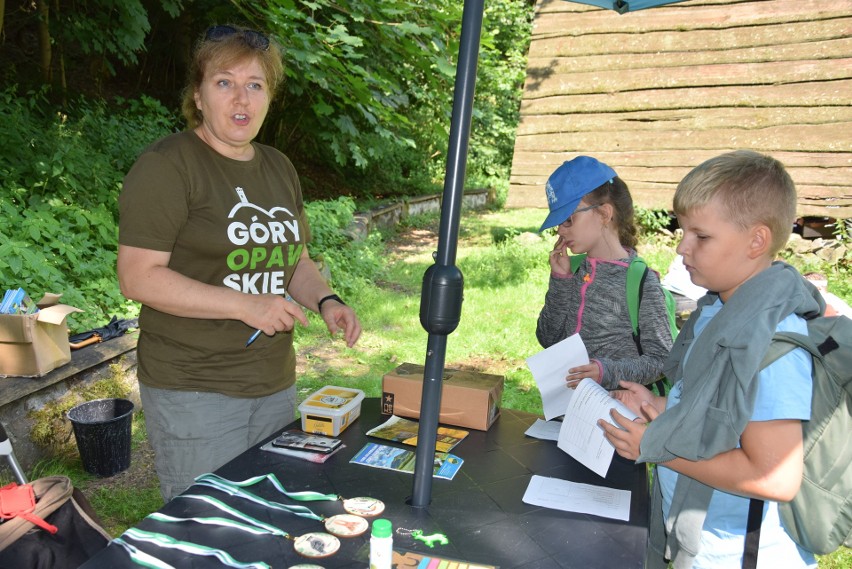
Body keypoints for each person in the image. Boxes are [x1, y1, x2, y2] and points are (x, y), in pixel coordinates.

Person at [117, 24, 362, 502]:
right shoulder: (168, 166)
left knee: (272, 513)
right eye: (224, 82)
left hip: (273, 383)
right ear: (199, 95)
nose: (241, 100)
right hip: (194, 388)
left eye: (255, 85)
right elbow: (137, 277)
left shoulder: (278, 167)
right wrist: (247, 305)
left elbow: (296, 262)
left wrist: (326, 300)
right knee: (208, 525)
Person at [600, 150, 821, 568]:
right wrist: (656, 406)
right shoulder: (716, 312)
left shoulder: (773, 342)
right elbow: (717, 412)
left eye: (701, 237)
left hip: (740, 554)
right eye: (683, 231)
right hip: (697, 541)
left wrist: (656, 445)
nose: (682, 247)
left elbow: (774, 476)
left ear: (756, 240)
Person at [535, 156, 673, 390]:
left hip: (618, 418)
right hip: (568, 414)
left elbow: (662, 360)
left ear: (604, 214)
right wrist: (561, 282)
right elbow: (548, 339)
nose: (559, 230)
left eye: (568, 219)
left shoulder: (641, 282)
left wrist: (605, 372)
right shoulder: (574, 270)